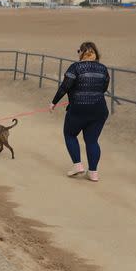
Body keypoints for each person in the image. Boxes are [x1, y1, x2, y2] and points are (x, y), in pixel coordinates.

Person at [50, 42, 110, 182]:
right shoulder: (103, 69)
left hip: (79, 108)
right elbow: (104, 87)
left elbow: (65, 87)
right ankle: (93, 172)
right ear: (95, 53)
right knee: (92, 140)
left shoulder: (75, 67)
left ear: (81, 53)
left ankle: (78, 165)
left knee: (70, 134)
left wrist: (53, 102)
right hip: (99, 109)